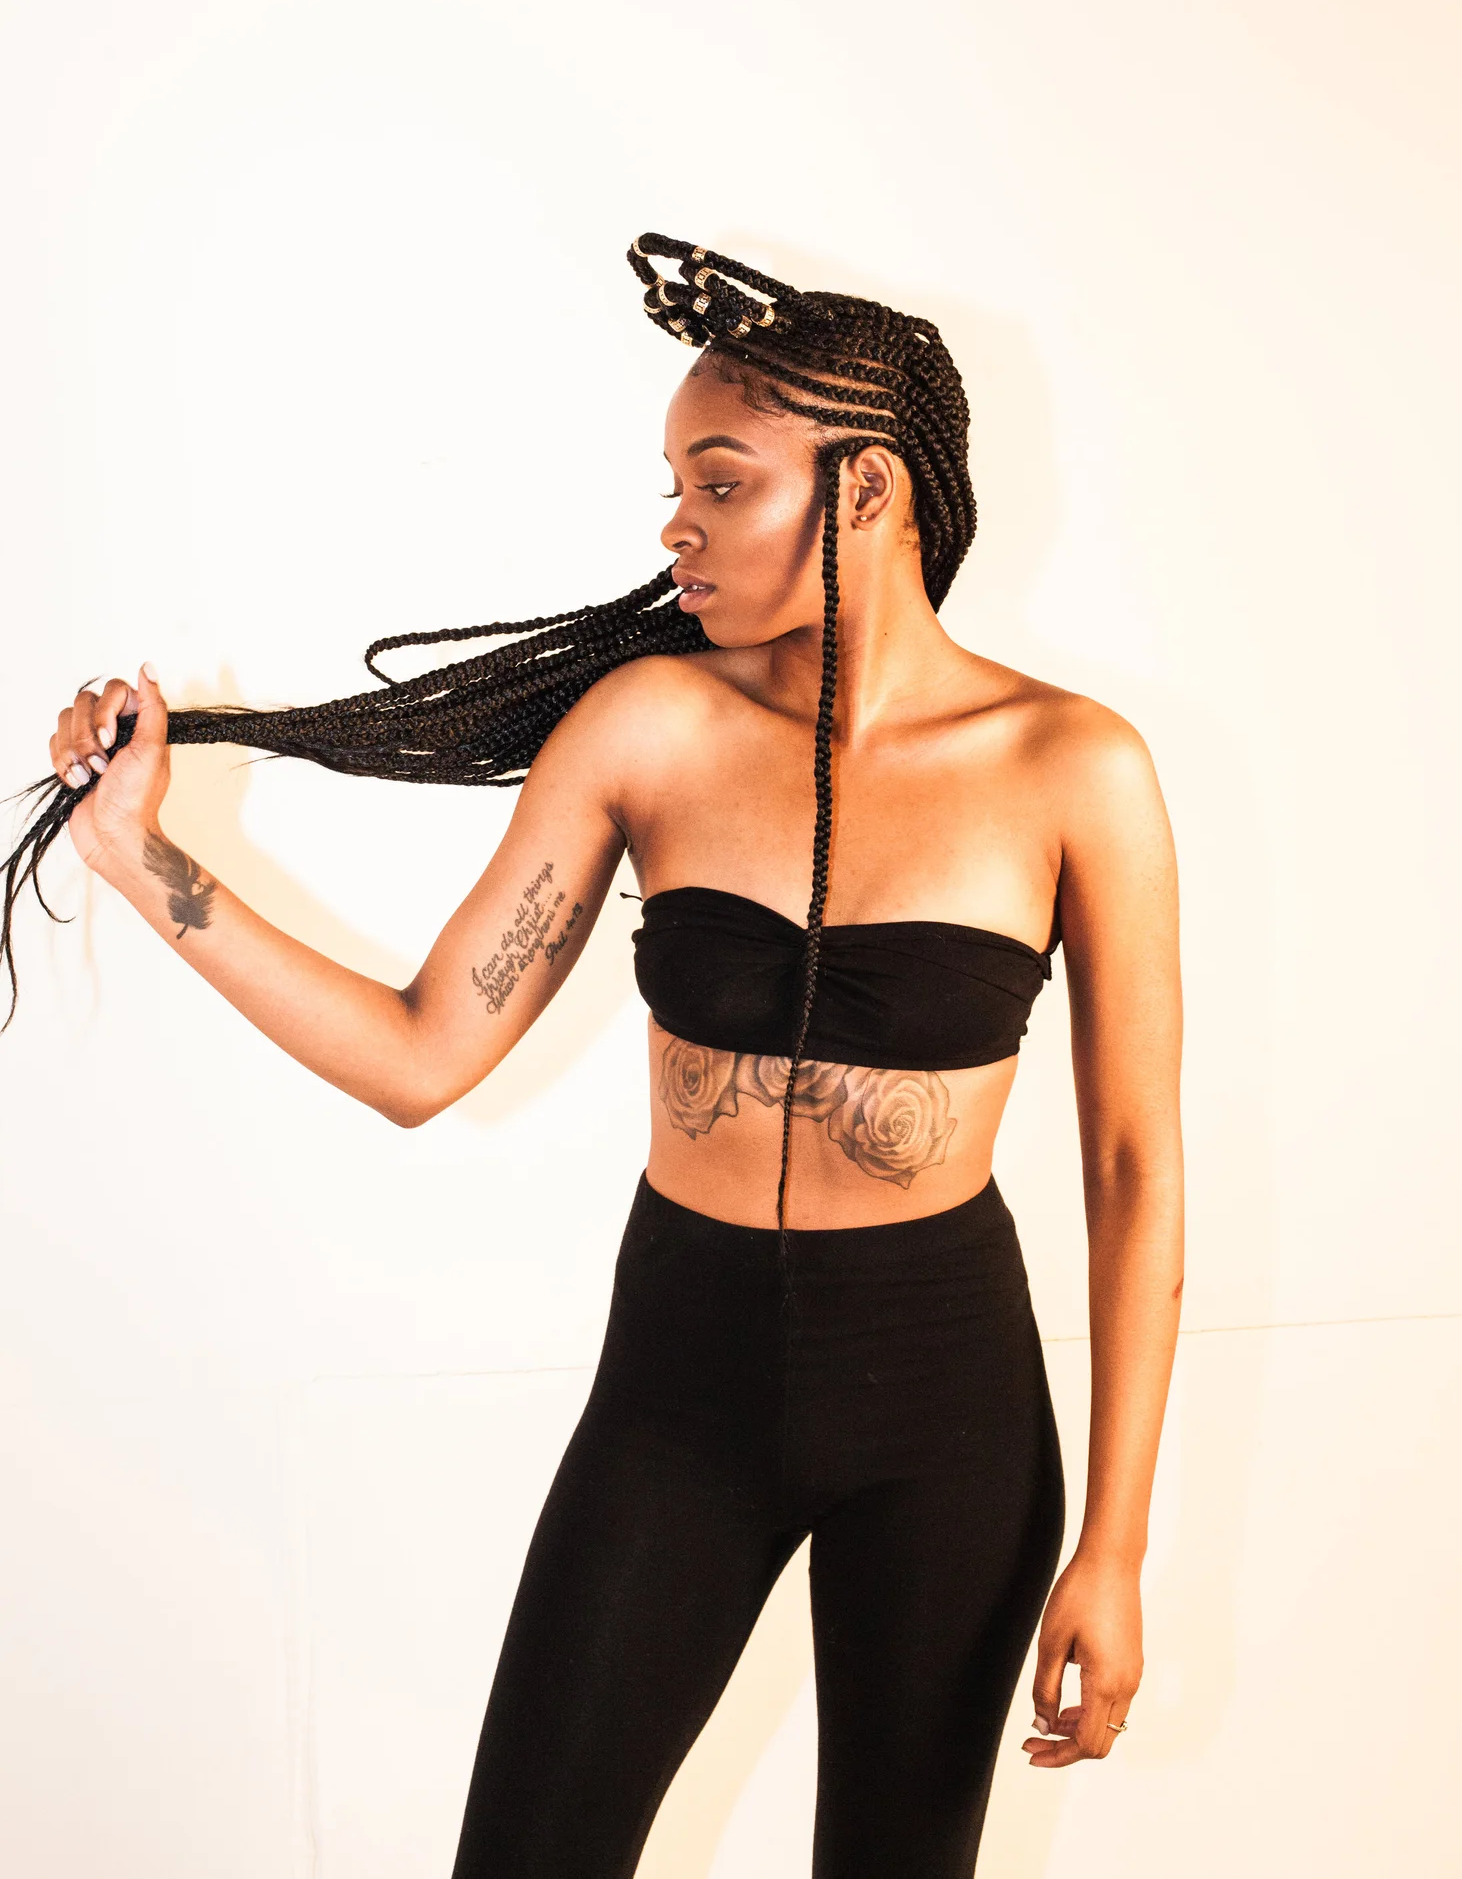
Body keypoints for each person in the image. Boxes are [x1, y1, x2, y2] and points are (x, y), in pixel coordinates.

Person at [14, 235, 1184, 1879]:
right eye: (675, 486)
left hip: (950, 1404)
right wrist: (140, 858)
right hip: (684, 1382)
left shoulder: (1074, 768)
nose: (676, 528)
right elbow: (422, 1052)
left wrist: (1116, 1540)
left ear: (867, 489)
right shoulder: (649, 729)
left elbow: (1133, 1167)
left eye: (723, 482)